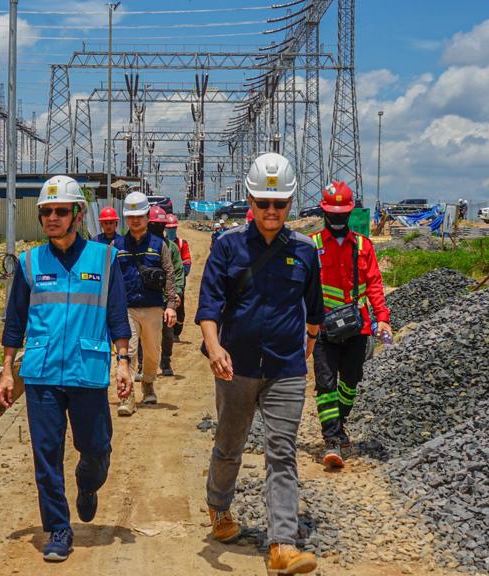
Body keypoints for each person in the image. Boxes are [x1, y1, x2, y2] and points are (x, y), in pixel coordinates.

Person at [197, 152, 323, 575]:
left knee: (282, 453)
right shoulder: (228, 246)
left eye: (280, 203)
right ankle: (218, 507)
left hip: (286, 369)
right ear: (250, 201)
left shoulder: (305, 251)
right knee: (230, 445)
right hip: (236, 368)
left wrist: (308, 341)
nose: (272, 211)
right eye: (264, 203)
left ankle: (282, 544)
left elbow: (315, 310)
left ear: (290, 204)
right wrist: (214, 348)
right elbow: (209, 306)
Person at [0, 175, 133, 563]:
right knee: (46, 455)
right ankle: (58, 528)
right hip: (41, 375)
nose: (52, 218)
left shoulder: (104, 259)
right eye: (46, 212)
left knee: (96, 447)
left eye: (60, 211)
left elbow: (117, 316)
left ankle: (88, 482)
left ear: (77, 214)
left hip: (87, 371)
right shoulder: (28, 263)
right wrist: (8, 369)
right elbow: (14, 322)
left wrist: (123, 362)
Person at [309, 181, 392, 469]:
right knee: (325, 383)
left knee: (351, 381)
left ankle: (339, 420)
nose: (337, 220)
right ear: (324, 213)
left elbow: (375, 285)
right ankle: (331, 440)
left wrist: (382, 318)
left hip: (358, 328)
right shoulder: (313, 246)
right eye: (333, 214)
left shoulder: (363, 245)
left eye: (342, 214)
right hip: (324, 329)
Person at [113, 192, 179, 415]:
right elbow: (110, 279)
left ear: (147, 216)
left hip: (152, 307)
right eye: (131, 216)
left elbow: (170, 274)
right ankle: (127, 396)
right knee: (127, 353)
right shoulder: (117, 245)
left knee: (152, 353)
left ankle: (148, 383)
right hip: (126, 309)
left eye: (139, 215)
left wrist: (171, 305)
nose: (135, 220)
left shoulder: (159, 245)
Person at [145, 206, 185, 378]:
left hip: (166, 298)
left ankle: (165, 361)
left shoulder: (172, 248)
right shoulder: (142, 247)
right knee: (143, 335)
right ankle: (141, 365)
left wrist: (178, 293)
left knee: (167, 334)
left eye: (160, 225)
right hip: (146, 298)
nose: (157, 229)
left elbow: (177, 272)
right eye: (154, 225)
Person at [167, 213, 191, 343]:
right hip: (165, 280)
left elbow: (187, 261)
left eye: (173, 228)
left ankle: (176, 332)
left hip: (179, 279)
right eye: (169, 228)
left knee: (179, 306)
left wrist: (181, 274)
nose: (171, 230)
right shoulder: (163, 243)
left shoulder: (182, 244)